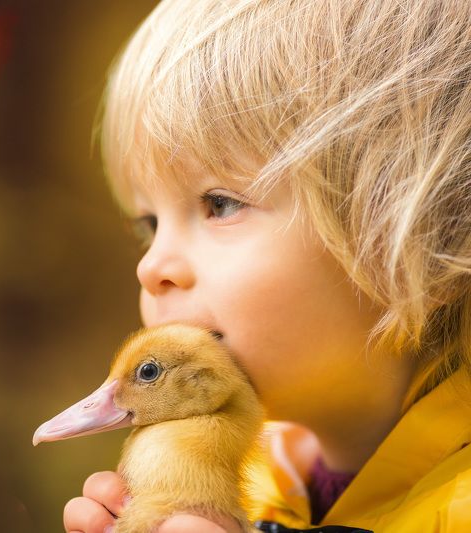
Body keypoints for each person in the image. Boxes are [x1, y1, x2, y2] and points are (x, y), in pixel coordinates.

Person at [62, 0, 471, 531]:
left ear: (428, 234)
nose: (151, 265)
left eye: (221, 203)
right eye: (147, 224)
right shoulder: (242, 481)